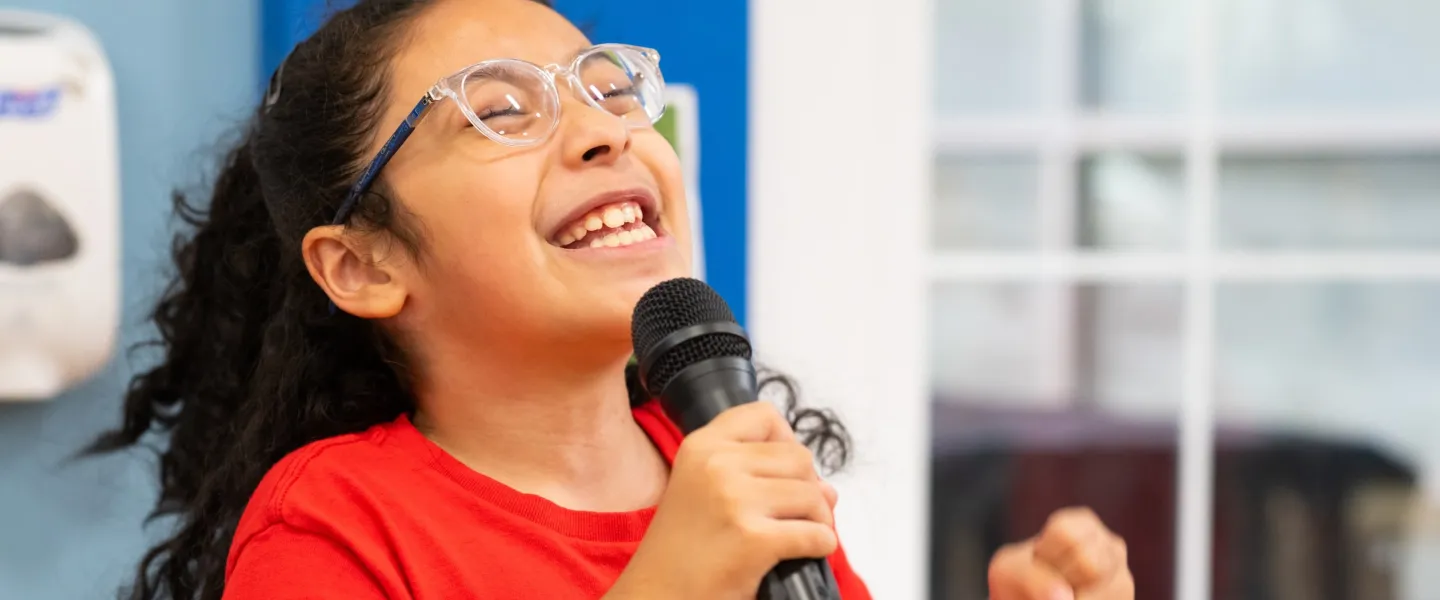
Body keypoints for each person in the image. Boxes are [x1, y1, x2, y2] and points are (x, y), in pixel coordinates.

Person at [88, 0, 1134, 598]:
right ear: (363, 265)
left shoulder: (729, 466)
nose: (605, 131)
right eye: (501, 111)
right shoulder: (333, 527)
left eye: (607, 88)